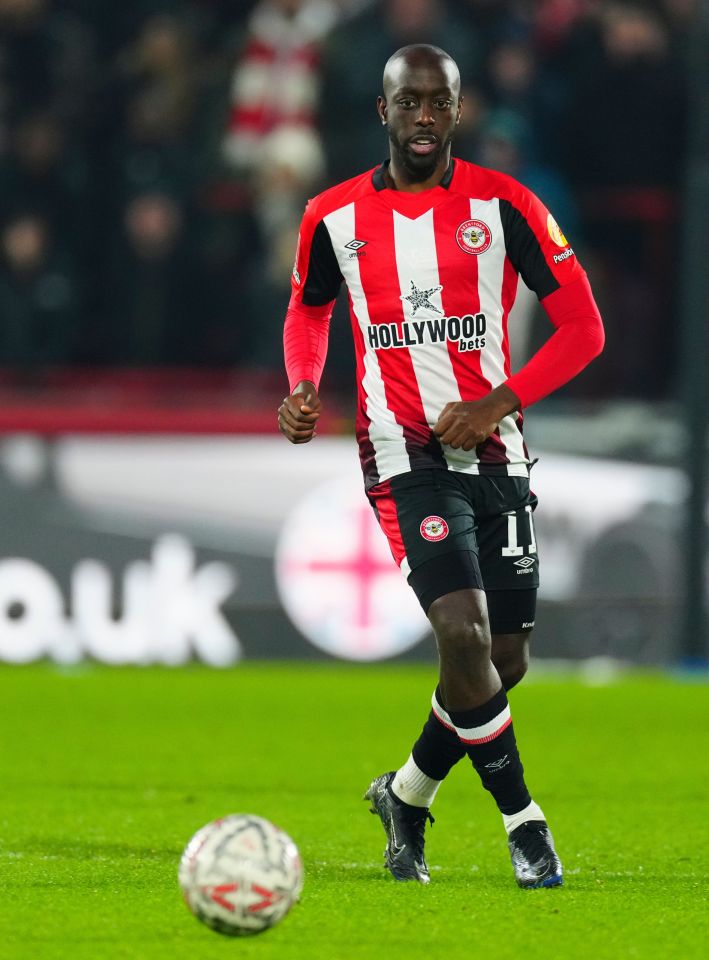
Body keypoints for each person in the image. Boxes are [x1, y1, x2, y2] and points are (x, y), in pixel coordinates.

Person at [277, 44, 604, 889]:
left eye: (438, 104)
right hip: (402, 452)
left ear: (459, 112)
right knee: (459, 632)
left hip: (495, 449)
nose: (423, 118)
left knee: (503, 661)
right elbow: (307, 313)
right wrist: (303, 386)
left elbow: (582, 329)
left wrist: (498, 402)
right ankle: (524, 827)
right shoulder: (332, 216)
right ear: (380, 112)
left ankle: (407, 795)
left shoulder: (507, 207)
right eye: (407, 103)